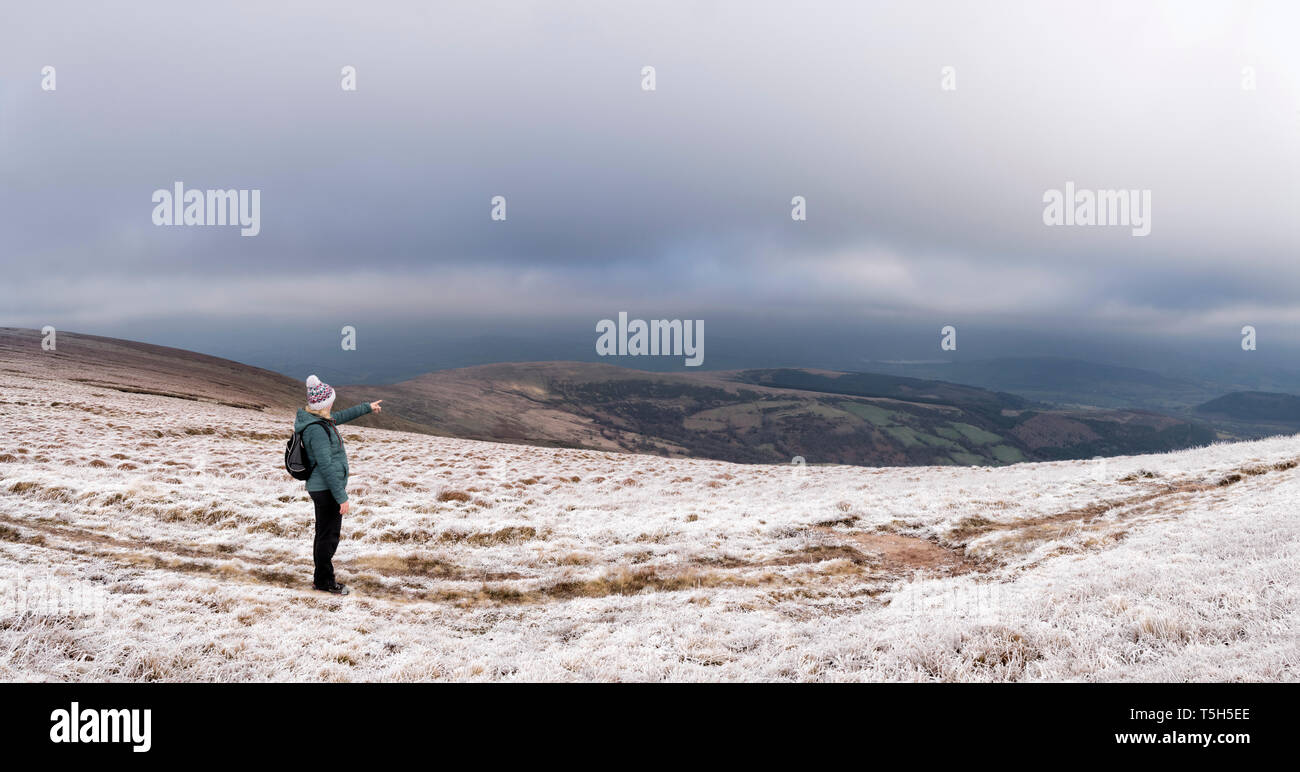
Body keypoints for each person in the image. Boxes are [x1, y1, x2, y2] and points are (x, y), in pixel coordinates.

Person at [295, 374, 383, 595]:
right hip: (325, 490)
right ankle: (325, 582)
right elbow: (325, 465)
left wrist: (367, 408)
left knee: (323, 534)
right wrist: (341, 496)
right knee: (328, 536)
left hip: (323, 488)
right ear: (324, 403)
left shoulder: (319, 420)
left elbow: (340, 416)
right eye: (331, 400)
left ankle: (320, 579)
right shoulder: (316, 429)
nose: (333, 403)